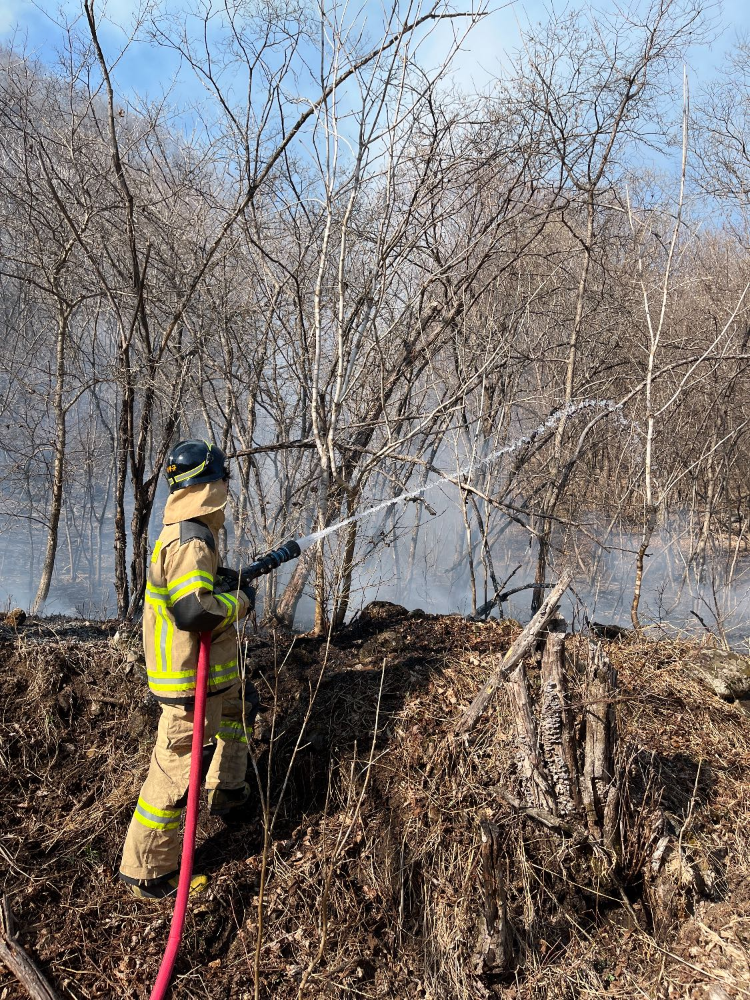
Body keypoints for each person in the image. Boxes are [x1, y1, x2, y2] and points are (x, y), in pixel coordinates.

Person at [119, 440, 256, 899]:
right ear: (210, 485)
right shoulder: (192, 541)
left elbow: (190, 590)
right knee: (175, 772)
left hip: (211, 676)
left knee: (239, 713)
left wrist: (222, 579)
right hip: (187, 682)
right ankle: (147, 872)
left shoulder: (187, 532)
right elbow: (193, 614)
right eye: (222, 481)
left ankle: (228, 792)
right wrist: (238, 602)